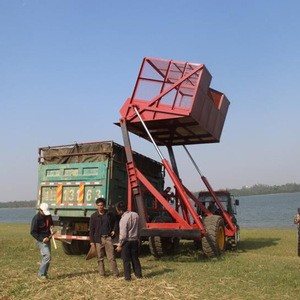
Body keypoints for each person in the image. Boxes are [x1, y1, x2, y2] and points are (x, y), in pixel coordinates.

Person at [89, 197, 119, 277]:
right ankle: (102, 274)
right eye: (98, 205)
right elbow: (91, 229)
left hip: (108, 238)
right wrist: (92, 242)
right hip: (98, 239)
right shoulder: (93, 216)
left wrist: (114, 230)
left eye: (101, 205)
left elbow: (116, 222)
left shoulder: (109, 214)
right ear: (96, 206)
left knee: (111, 257)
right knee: (100, 257)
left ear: (104, 205)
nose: (100, 207)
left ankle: (115, 273)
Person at [115, 201, 142, 281]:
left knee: (126, 259)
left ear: (120, 211)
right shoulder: (135, 215)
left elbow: (123, 234)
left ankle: (127, 277)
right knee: (135, 258)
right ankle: (138, 275)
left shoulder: (123, 219)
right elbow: (139, 227)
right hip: (135, 240)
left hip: (126, 241)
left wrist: (120, 244)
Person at [30, 202, 54, 281]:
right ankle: (41, 274)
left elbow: (51, 224)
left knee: (48, 257)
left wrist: (52, 227)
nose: (46, 214)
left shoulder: (48, 216)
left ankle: (45, 274)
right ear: (40, 210)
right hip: (41, 240)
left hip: (48, 238)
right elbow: (33, 232)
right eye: (44, 212)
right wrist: (42, 239)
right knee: (47, 256)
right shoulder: (36, 218)